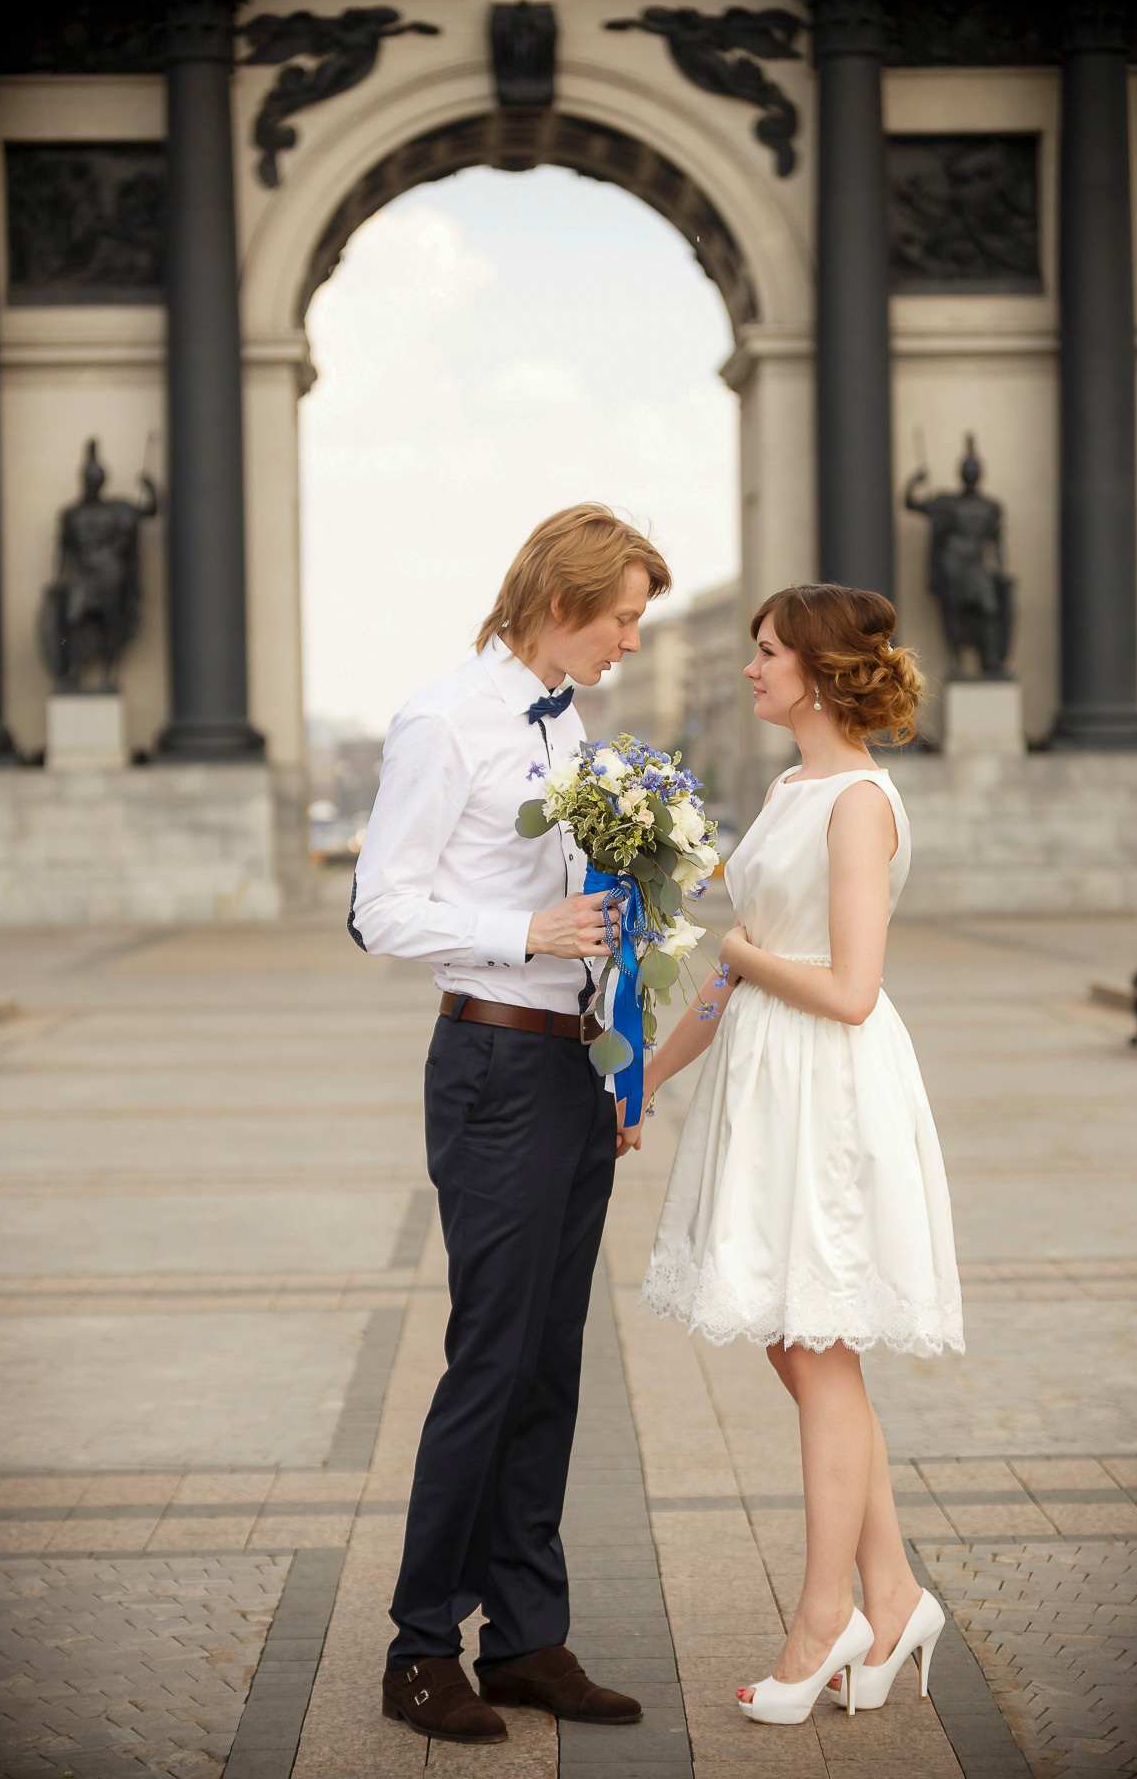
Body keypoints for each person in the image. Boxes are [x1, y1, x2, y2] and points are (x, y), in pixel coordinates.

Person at [351, 504, 672, 1745]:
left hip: (567, 1074)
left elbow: (593, 908)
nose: (633, 642)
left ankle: (526, 1640)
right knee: (488, 1360)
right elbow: (380, 911)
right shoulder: (443, 719)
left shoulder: (568, 718)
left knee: (548, 1363)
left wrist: (622, 1072)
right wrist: (518, 937)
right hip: (487, 1062)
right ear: (561, 604)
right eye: (625, 618)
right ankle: (420, 1647)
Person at [632, 582, 964, 1726]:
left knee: (817, 1350)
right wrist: (646, 1075)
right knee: (794, 1344)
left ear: (817, 671)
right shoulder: (785, 787)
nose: (747, 668)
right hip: (764, 1082)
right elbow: (732, 972)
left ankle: (824, 1619)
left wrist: (735, 945)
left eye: (764, 652)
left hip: (827, 1091)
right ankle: (893, 1591)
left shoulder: (858, 803)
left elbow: (851, 990)